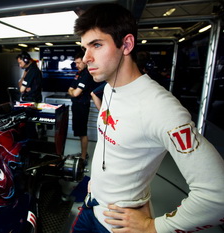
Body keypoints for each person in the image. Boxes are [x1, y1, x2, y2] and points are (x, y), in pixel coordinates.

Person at [72, 3, 224, 233]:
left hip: (117, 226)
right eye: (84, 48)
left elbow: (218, 195)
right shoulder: (110, 88)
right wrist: (98, 184)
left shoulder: (160, 108)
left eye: (97, 45)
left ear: (127, 44)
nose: (87, 58)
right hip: (91, 204)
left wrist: (154, 227)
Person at [68, 51, 94, 162]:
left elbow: (76, 93)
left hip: (82, 106)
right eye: (76, 63)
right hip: (76, 105)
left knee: (82, 132)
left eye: (78, 63)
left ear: (84, 61)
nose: (77, 65)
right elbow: (70, 89)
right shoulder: (79, 73)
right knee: (79, 131)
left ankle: (83, 157)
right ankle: (83, 153)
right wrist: (72, 91)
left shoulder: (87, 74)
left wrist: (73, 91)